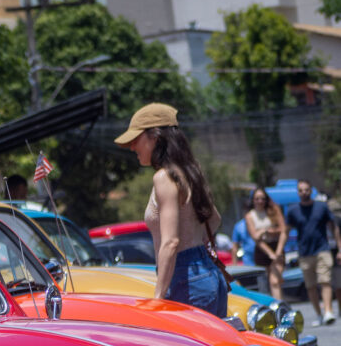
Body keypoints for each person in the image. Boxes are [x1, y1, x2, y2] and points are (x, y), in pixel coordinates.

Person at [114, 103, 227, 317]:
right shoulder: (190, 171)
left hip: (186, 278)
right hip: (208, 276)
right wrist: (197, 245)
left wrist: (158, 296)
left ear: (154, 137)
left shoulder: (164, 177)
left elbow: (171, 241)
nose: (132, 147)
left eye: (136, 140)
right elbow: (215, 219)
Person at [286, 179, 341, 326]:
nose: (304, 193)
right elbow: (285, 232)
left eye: (307, 190)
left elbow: (333, 227)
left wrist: (339, 248)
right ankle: (319, 314)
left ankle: (328, 311)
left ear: (311, 191)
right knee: (310, 286)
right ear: (298, 193)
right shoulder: (293, 210)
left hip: (322, 249)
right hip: (304, 253)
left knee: (325, 281)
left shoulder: (321, 207)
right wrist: (279, 251)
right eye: (301, 190)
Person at [244, 187, 287, 301]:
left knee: (275, 281)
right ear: (253, 200)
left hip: (277, 246)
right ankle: (273, 306)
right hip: (262, 250)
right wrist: (270, 254)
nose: (260, 201)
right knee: (267, 283)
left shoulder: (274, 210)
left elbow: (283, 230)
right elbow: (256, 238)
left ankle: (279, 307)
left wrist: (277, 251)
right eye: (257, 199)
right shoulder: (250, 216)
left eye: (262, 198)